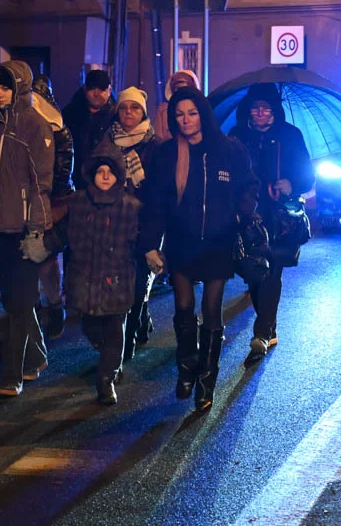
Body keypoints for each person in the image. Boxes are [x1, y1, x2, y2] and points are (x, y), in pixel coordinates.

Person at [139, 87, 258, 411]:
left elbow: (249, 185)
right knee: (183, 305)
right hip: (182, 240)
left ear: (203, 114)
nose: (186, 120)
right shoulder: (166, 154)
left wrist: (240, 213)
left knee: (211, 309)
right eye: (179, 114)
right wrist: (150, 245)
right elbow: (155, 203)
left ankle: (207, 379)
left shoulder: (229, 149)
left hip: (219, 242)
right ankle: (187, 365)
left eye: (192, 113)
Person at [37, 147, 140, 405]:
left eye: (110, 172)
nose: (105, 176)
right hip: (85, 279)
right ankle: (108, 357)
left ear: (119, 176)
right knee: (91, 327)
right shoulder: (79, 203)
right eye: (100, 171)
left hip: (118, 280)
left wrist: (153, 257)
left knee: (114, 330)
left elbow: (141, 241)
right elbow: (63, 231)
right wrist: (44, 245)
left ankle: (106, 379)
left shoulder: (130, 207)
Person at [0, 61, 54, 397]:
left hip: (24, 226)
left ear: (19, 87)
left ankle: (10, 375)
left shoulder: (35, 125)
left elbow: (42, 183)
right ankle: (36, 357)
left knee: (20, 303)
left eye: (5, 88)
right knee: (14, 301)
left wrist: (37, 228)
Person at [227, 83, 314, 365]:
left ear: (275, 110)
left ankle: (262, 333)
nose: (261, 113)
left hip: (279, 217)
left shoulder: (290, 135)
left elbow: (308, 175)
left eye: (266, 108)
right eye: (256, 108)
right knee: (254, 274)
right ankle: (269, 326)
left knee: (273, 271)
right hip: (249, 215)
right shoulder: (238, 136)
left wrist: (292, 183)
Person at [96, 86, 163, 361]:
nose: (128, 113)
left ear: (143, 113)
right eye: (123, 107)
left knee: (137, 286)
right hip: (113, 223)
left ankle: (130, 338)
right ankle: (125, 335)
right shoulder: (107, 143)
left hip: (144, 222)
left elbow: (159, 191)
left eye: (135, 107)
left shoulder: (155, 146)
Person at [30, 74, 73, 339]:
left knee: (46, 259)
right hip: (25, 201)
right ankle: (33, 309)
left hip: (52, 200)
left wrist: (46, 198)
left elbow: (63, 171)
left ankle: (55, 306)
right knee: (26, 258)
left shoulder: (58, 130)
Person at [62, 69, 117, 190]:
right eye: (92, 88)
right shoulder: (70, 114)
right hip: (75, 182)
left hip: (107, 183)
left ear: (109, 90)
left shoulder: (117, 116)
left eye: (102, 89)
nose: (96, 93)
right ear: (85, 89)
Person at [152, 69, 200, 138]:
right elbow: (158, 138)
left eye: (192, 113)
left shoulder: (201, 107)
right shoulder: (163, 109)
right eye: (177, 88)